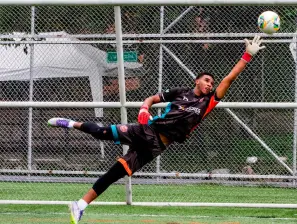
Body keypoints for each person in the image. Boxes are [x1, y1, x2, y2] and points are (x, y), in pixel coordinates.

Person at [47, 35, 265, 224]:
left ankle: (80, 205)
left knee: (116, 173)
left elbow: (230, 78)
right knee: (101, 133)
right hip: (146, 130)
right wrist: (144, 107)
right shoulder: (181, 93)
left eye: (211, 82)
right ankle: (70, 123)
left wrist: (247, 55)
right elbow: (151, 98)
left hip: (157, 145)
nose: (210, 84)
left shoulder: (207, 103)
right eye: (206, 80)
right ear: (196, 80)